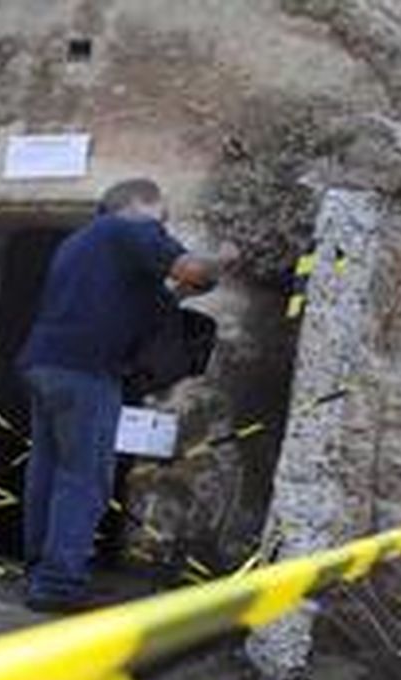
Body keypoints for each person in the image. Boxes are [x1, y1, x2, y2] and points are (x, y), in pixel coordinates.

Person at [17, 178, 240, 612]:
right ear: (142, 205)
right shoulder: (130, 229)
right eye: (163, 217)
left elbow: (159, 301)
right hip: (87, 371)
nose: (164, 227)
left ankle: (41, 572)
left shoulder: (80, 245)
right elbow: (195, 271)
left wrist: (188, 286)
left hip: (45, 365)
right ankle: (58, 585)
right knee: (85, 478)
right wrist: (225, 258)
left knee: (49, 472)